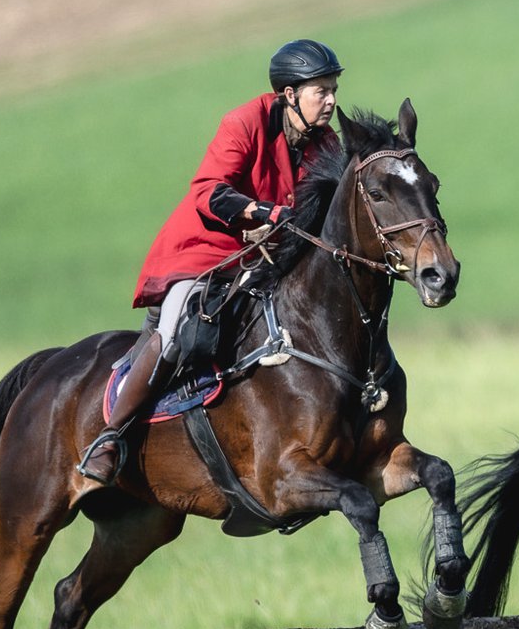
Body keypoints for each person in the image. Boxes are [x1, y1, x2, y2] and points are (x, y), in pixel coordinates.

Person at [77, 39, 345, 483]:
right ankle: (110, 436)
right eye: (322, 91)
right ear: (290, 95)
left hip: (265, 259)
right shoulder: (244, 122)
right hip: (203, 252)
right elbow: (209, 190)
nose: (332, 100)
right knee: (178, 329)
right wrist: (267, 213)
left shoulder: (326, 142)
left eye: (333, 89)